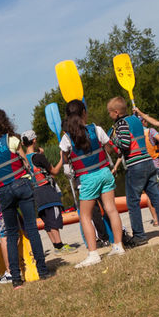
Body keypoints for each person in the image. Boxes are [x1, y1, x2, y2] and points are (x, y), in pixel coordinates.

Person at [0, 108, 49, 287]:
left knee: (11, 233)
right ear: (3, 122)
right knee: (31, 229)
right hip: (21, 185)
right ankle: (43, 272)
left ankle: (16, 279)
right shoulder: (12, 140)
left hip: (2, 192)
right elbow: (25, 162)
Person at [58, 99, 126, 267]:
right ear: (84, 113)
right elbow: (108, 147)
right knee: (111, 209)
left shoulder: (67, 137)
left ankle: (93, 254)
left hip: (87, 178)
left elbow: (64, 158)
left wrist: (67, 169)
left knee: (85, 216)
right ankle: (118, 246)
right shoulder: (96, 129)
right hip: (104, 172)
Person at [107, 97, 159, 245]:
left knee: (132, 202)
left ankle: (139, 236)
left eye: (110, 113)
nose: (109, 115)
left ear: (116, 112)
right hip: (148, 162)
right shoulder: (136, 120)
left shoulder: (121, 124)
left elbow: (124, 144)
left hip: (135, 164)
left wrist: (113, 140)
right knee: (156, 196)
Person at [19, 131, 75, 254]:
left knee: (46, 219)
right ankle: (60, 245)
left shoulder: (23, 160)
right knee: (54, 217)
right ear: (34, 140)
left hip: (35, 193)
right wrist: (62, 158)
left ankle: (56, 245)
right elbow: (54, 171)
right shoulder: (38, 157)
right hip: (46, 191)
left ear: (23, 143)